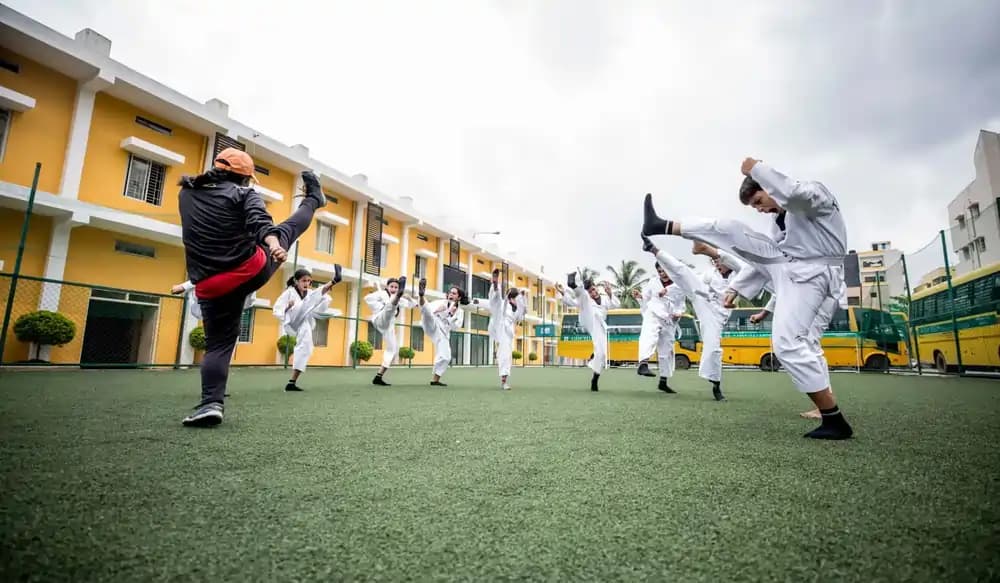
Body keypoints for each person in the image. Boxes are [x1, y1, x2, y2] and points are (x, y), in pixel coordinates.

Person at [641, 157, 853, 440]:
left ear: (769, 187)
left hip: (815, 271)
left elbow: (791, 193)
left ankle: (833, 419)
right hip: (790, 266)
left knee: (787, 344)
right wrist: (735, 289)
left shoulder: (815, 195)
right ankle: (665, 226)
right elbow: (760, 258)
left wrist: (756, 168)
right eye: (755, 206)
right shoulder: (780, 224)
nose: (759, 209)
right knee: (732, 230)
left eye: (758, 200)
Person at [177, 147, 341, 427]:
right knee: (286, 229)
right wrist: (275, 244)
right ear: (244, 178)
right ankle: (314, 199)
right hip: (248, 271)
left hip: (210, 285)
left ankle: (211, 404)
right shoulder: (243, 194)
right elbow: (260, 222)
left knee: (217, 346)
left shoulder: (186, 194)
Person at [639, 238, 741, 401]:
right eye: (715, 261)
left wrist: (732, 302)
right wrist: (668, 289)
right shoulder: (710, 274)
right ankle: (654, 249)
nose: (717, 264)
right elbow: (685, 280)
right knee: (683, 272)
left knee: (713, 348)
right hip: (703, 299)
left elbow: (740, 285)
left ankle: (716, 385)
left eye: (719, 260)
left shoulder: (739, 274)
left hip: (716, 316)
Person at [273, 269, 336, 392]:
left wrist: (324, 293)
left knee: (306, 347)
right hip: (292, 318)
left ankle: (292, 382)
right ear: (296, 281)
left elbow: (316, 300)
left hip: (303, 321)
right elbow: (277, 310)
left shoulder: (309, 293)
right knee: (312, 298)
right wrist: (288, 307)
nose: (306, 283)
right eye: (303, 281)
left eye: (309, 281)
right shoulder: (289, 292)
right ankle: (331, 282)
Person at [634, 262, 686, 393]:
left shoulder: (679, 285)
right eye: (660, 271)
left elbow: (681, 305)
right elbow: (646, 297)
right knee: (648, 336)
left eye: (664, 270)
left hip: (668, 319)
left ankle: (663, 382)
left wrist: (678, 314)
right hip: (653, 313)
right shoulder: (652, 282)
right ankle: (643, 364)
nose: (662, 273)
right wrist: (639, 297)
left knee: (666, 350)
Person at [567, 273, 619, 391]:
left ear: (596, 287)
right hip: (588, 319)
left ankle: (595, 378)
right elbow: (572, 302)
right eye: (590, 291)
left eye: (593, 289)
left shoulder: (605, 299)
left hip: (599, 325)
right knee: (584, 296)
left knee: (602, 354)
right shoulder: (587, 298)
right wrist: (563, 293)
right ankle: (573, 285)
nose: (593, 293)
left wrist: (610, 293)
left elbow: (616, 304)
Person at [478, 268, 527, 390]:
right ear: (511, 299)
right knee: (497, 303)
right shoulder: (504, 304)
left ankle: (504, 380)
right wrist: (496, 286)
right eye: (516, 299)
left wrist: (522, 297)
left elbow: (522, 311)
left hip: (506, 329)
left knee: (505, 353)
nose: (517, 301)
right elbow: (495, 304)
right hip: (499, 322)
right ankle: (495, 285)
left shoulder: (513, 311)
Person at [365, 276, 416, 386]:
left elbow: (413, 305)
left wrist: (409, 298)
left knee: (392, 349)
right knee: (389, 309)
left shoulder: (401, 299)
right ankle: (390, 305)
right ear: (387, 287)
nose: (393, 288)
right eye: (391, 286)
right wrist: (380, 306)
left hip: (389, 326)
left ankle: (378, 377)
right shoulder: (382, 294)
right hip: (379, 318)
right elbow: (367, 298)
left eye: (396, 287)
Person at [417, 278, 468, 386]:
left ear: (459, 297)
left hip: (443, 334)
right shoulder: (441, 302)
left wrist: (450, 315)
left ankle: (435, 380)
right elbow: (427, 310)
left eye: (454, 293)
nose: (451, 294)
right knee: (427, 311)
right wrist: (439, 311)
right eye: (450, 292)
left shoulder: (460, 312)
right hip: (432, 324)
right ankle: (421, 295)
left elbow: (455, 327)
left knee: (446, 357)